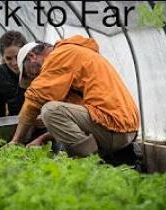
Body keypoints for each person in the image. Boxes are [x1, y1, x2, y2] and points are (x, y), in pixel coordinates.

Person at [9, 35, 140, 160]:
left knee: (50, 110)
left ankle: (91, 164)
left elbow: (34, 100)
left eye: (30, 73)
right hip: (125, 129)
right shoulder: (73, 55)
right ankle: (94, 160)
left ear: (32, 57)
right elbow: (81, 114)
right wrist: (43, 138)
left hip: (115, 126)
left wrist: (16, 141)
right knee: (53, 112)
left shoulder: (60, 55)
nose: (34, 78)